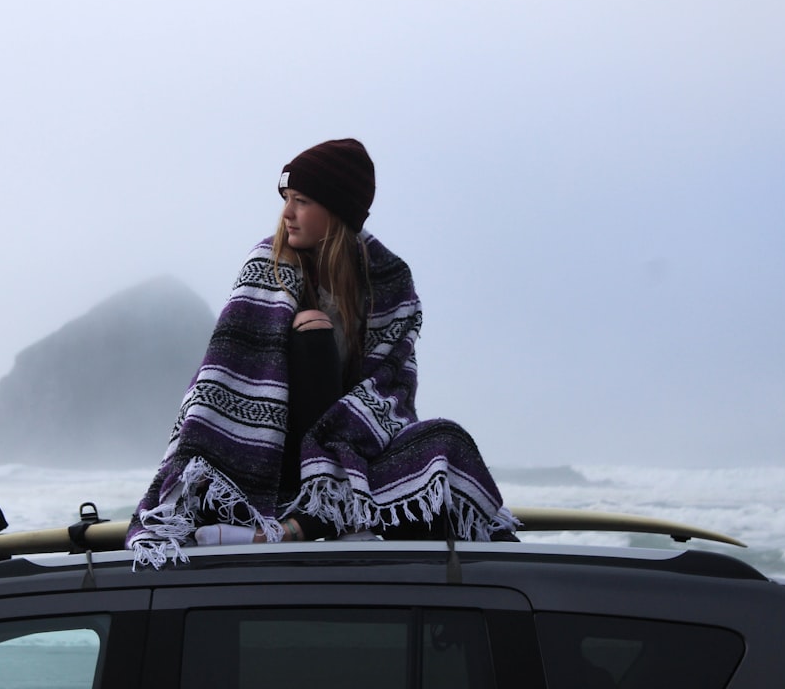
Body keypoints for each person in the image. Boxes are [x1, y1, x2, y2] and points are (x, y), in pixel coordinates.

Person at [126, 138, 516, 569]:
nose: (287, 214)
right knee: (312, 328)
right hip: (271, 454)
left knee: (446, 439)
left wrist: (348, 436)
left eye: (302, 201)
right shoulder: (268, 264)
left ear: (337, 210)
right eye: (286, 200)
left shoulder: (388, 280)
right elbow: (229, 373)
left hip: (354, 438)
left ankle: (331, 516)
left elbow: (393, 385)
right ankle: (319, 518)